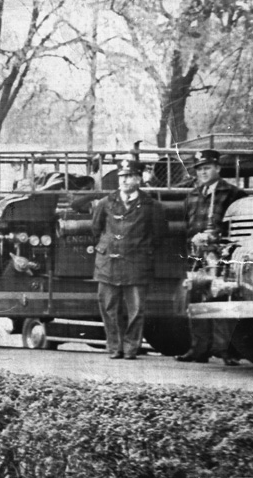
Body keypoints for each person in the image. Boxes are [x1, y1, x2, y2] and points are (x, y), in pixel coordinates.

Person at [176, 149, 247, 366]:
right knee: (197, 301)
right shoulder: (193, 195)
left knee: (222, 299)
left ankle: (224, 350)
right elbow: (187, 226)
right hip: (197, 257)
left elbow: (237, 229)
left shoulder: (234, 194)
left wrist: (214, 238)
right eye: (199, 169)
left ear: (217, 168)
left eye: (207, 168)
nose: (203, 172)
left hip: (222, 259)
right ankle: (199, 349)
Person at [92, 158, 167, 360]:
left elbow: (158, 235)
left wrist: (141, 250)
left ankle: (131, 348)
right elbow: (96, 229)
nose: (125, 180)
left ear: (139, 178)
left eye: (130, 176)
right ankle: (114, 347)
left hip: (137, 263)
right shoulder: (105, 203)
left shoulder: (152, 206)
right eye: (122, 176)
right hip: (108, 263)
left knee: (136, 310)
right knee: (108, 307)